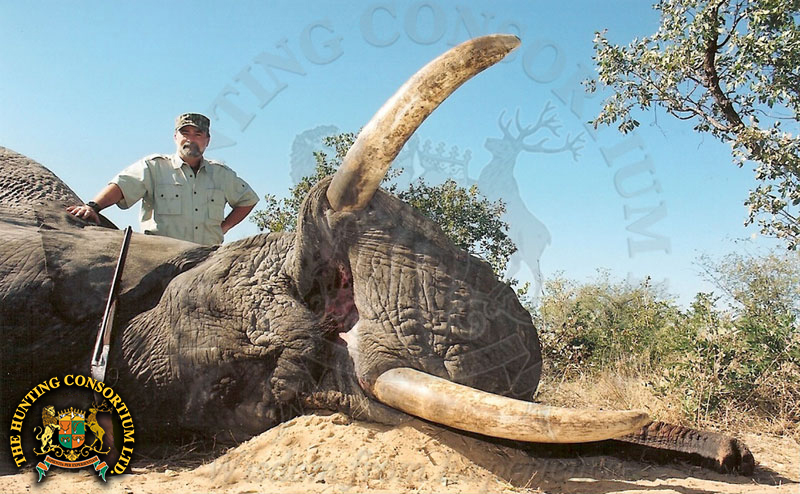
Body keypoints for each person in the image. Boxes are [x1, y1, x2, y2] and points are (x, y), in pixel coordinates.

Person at [67, 113, 259, 245]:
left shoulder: (222, 174)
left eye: (198, 134)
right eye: (185, 133)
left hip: (207, 262)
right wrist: (93, 207)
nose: (190, 139)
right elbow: (121, 186)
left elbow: (248, 200)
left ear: (207, 140)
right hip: (162, 261)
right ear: (175, 137)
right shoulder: (153, 167)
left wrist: (224, 227)